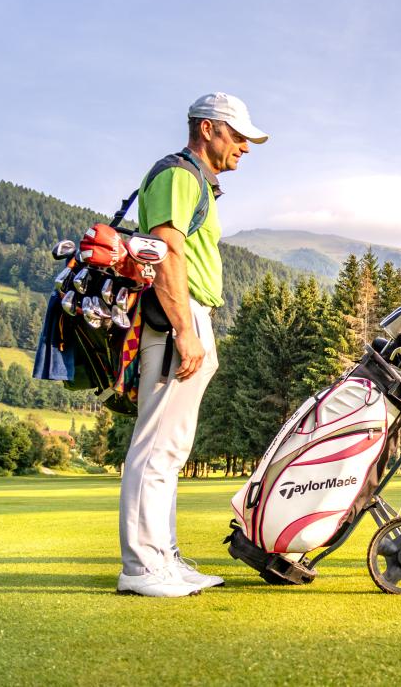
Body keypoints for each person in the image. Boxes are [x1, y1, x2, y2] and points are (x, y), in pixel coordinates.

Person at [117, 93, 268, 596]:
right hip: (174, 320)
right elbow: (166, 252)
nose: (245, 147)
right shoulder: (179, 175)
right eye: (238, 135)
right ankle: (142, 567)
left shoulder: (194, 180)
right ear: (208, 129)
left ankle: (165, 557)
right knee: (157, 447)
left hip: (188, 317)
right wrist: (185, 330)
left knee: (172, 448)